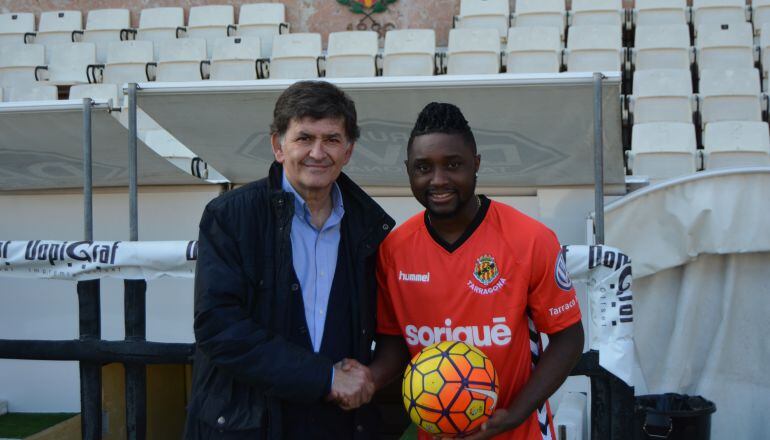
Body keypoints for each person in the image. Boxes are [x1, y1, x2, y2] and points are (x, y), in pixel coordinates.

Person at [184, 80, 394, 439]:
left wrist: (369, 378)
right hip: (249, 424)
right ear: (277, 146)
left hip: (338, 423)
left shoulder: (371, 227)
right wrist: (323, 377)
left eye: (331, 139)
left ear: (349, 150)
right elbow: (218, 326)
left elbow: (391, 329)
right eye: (304, 138)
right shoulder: (230, 217)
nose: (318, 152)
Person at [367, 102, 584, 440]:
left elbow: (568, 338)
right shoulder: (393, 250)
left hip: (517, 430)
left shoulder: (530, 239)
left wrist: (515, 415)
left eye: (453, 165)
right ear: (408, 169)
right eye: (423, 167)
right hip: (434, 432)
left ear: (476, 164)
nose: (438, 180)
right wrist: (366, 380)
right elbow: (393, 344)